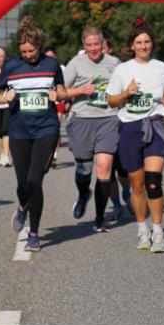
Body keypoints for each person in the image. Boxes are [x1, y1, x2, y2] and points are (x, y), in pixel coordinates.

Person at [0, 17, 67, 252]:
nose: (28, 55)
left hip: (46, 128)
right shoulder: (12, 66)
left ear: (39, 46)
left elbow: (62, 90)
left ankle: (34, 233)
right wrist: (6, 97)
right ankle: (23, 207)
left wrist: (59, 95)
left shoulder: (51, 65)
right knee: (23, 184)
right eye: (23, 51)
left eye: (32, 51)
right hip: (19, 130)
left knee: (36, 181)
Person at [106, 18, 164, 253]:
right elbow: (110, 101)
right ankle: (141, 229)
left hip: (155, 126)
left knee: (153, 180)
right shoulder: (122, 70)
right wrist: (126, 93)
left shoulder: (163, 67)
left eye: (147, 42)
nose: (144, 46)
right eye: (139, 42)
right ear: (131, 45)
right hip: (130, 129)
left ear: (152, 44)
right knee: (137, 185)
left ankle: (158, 232)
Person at [62, 26, 121, 231]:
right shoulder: (75, 64)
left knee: (104, 168)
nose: (94, 48)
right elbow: (61, 92)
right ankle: (83, 194)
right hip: (82, 120)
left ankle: (99, 218)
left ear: (103, 44)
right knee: (84, 171)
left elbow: (124, 89)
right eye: (89, 45)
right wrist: (81, 90)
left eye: (97, 44)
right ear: (83, 46)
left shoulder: (114, 63)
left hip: (108, 119)